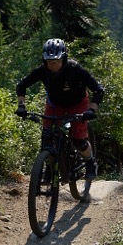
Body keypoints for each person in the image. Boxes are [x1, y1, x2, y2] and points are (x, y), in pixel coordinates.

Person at [15, 37, 104, 179]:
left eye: (56, 62)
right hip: (55, 104)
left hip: (78, 103)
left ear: (64, 59)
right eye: (49, 62)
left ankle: (90, 162)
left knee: (79, 140)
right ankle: (49, 167)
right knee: (47, 135)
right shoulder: (42, 71)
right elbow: (21, 85)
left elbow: (98, 89)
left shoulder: (74, 68)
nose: (52, 65)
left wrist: (91, 109)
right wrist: (21, 106)